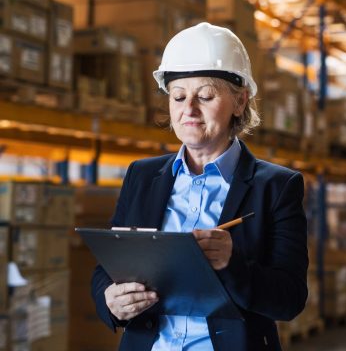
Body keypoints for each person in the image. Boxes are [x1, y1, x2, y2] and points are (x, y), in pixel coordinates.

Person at [91, 22, 309, 351]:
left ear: (240, 102)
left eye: (205, 96)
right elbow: (108, 268)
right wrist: (110, 300)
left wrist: (231, 264)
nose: (189, 109)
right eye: (178, 96)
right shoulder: (142, 175)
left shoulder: (277, 187)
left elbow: (290, 299)